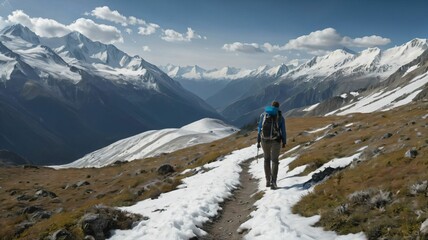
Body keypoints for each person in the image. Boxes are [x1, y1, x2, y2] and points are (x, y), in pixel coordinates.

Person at [257, 101, 286, 190]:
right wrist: (284, 141)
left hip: (264, 140)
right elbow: (283, 131)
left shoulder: (263, 115)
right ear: (278, 107)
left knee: (266, 160)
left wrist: (258, 140)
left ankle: (267, 181)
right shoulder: (280, 117)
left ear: (271, 106)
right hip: (275, 141)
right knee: (274, 161)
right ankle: (273, 182)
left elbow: (259, 128)